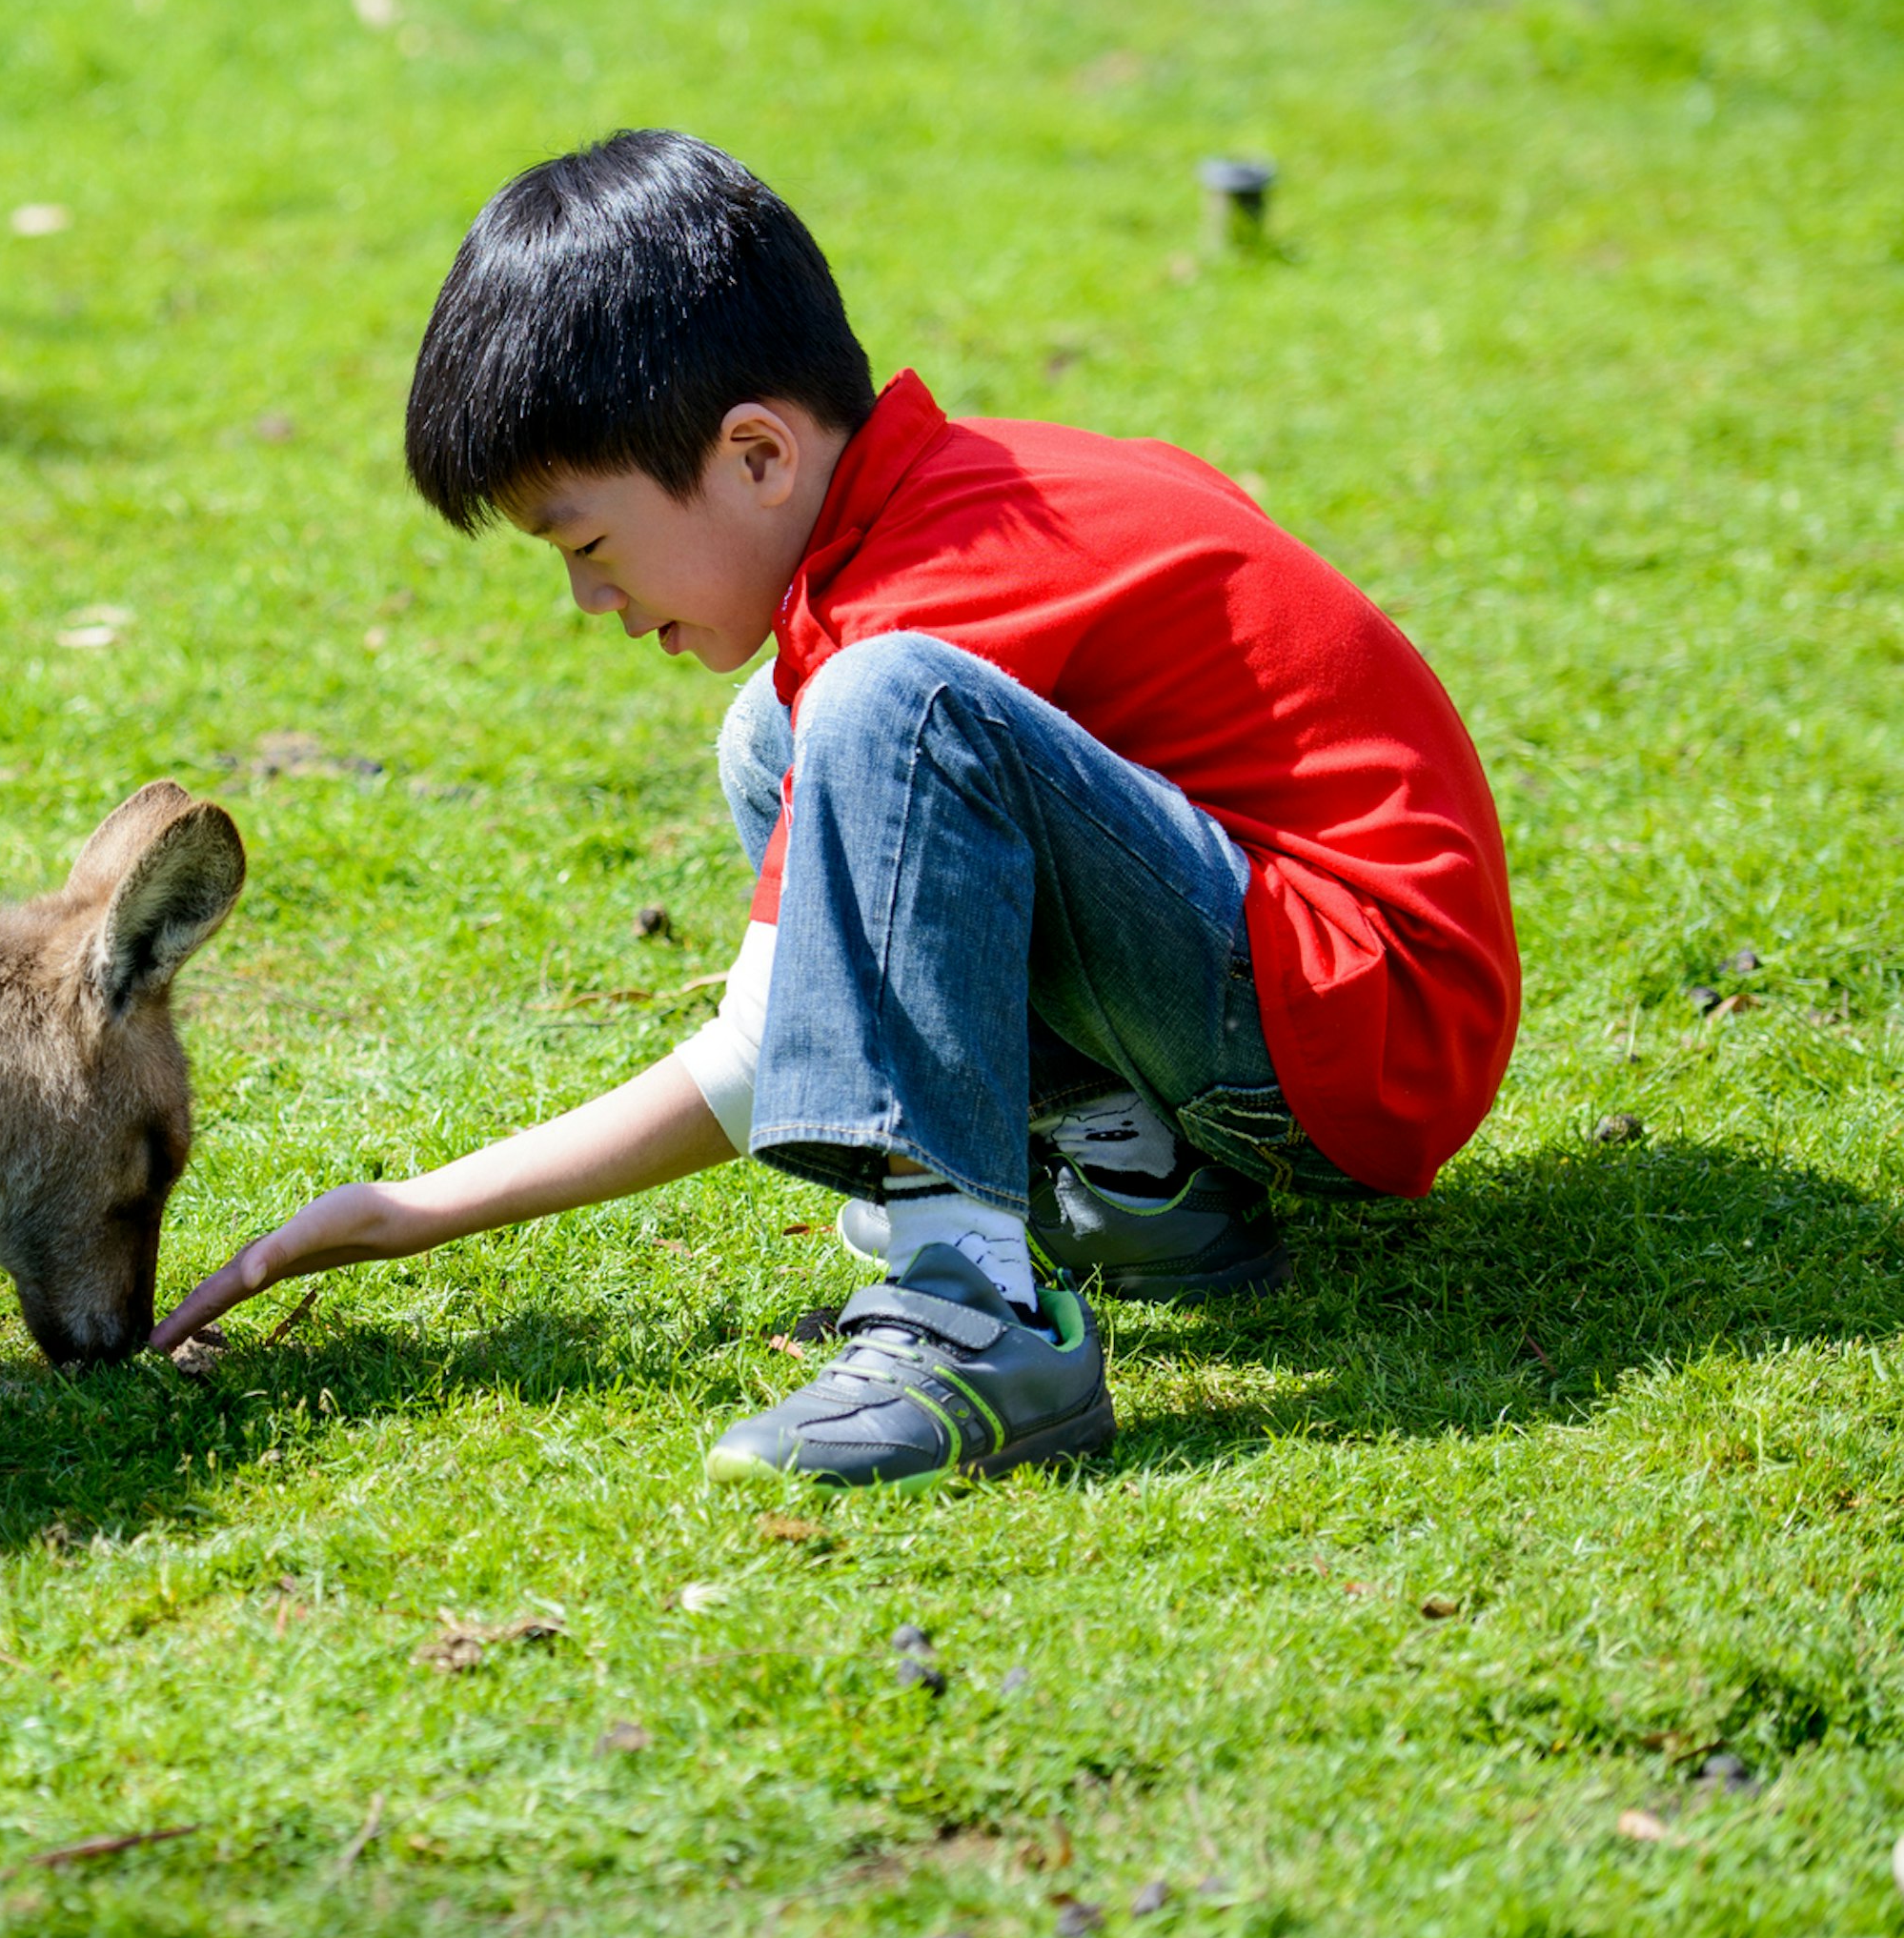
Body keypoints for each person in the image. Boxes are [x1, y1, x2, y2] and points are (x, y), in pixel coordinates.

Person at [152, 131, 1520, 1485]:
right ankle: (1145, 1185)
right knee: (788, 728)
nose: (588, 601)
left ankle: (971, 1310)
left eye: (586, 543)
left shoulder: (924, 599)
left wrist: (417, 1209)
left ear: (757, 454)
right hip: (1312, 990)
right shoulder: (973, 492)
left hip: (1361, 1024)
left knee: (881, 708)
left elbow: (760, 1051)